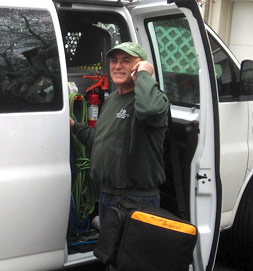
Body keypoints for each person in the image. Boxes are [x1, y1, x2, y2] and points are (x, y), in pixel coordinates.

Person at [70, 42, 169, 226]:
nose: (117, 66)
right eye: (113, 61)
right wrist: (74, 126)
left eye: (126, 61)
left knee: (132, 255)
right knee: (110, 254)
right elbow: (99, 140)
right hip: (108, 197)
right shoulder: (113, 100)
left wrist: (144, 75)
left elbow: (149, 109)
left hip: (136, 201)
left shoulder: (153, 100)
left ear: (140, 65)